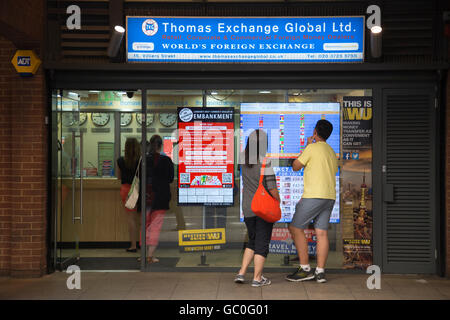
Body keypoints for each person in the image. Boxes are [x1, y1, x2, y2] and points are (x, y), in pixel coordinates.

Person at [286, 119, 338, 283]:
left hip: (313, 195)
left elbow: (295, 166)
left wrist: (307, 146)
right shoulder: (331, 151)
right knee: (321, 232)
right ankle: (320, 272)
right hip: (329, 196)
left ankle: (305, 268)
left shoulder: (312, 148)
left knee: (295, 227)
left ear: (315, 132)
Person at [235, 129, 280, 287]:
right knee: (262, 243)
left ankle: (241, 273)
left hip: (248, 207)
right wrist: (278, 200)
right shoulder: (264, 162)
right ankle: (257, 278)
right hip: (262, 208)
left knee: (253, 241)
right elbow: (272, 187)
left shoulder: (242, 159)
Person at [139, 135, 174, 264]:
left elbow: (139, 177)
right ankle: (150, 255)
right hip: (160, 197)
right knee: (155, 226)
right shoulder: (166, 161)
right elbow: (170, 178)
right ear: (160, 146)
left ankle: (143, 255)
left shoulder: (143, 159)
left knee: (144, 226)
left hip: (146, 197)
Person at [117, 138, 141, 252]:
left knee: (131, 219)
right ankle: (142, 243)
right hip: (138, 188)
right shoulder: (141, 160)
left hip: (127, 190)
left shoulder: (120, 161)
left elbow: (119, 177)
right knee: (141, 219)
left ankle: (133, 245)